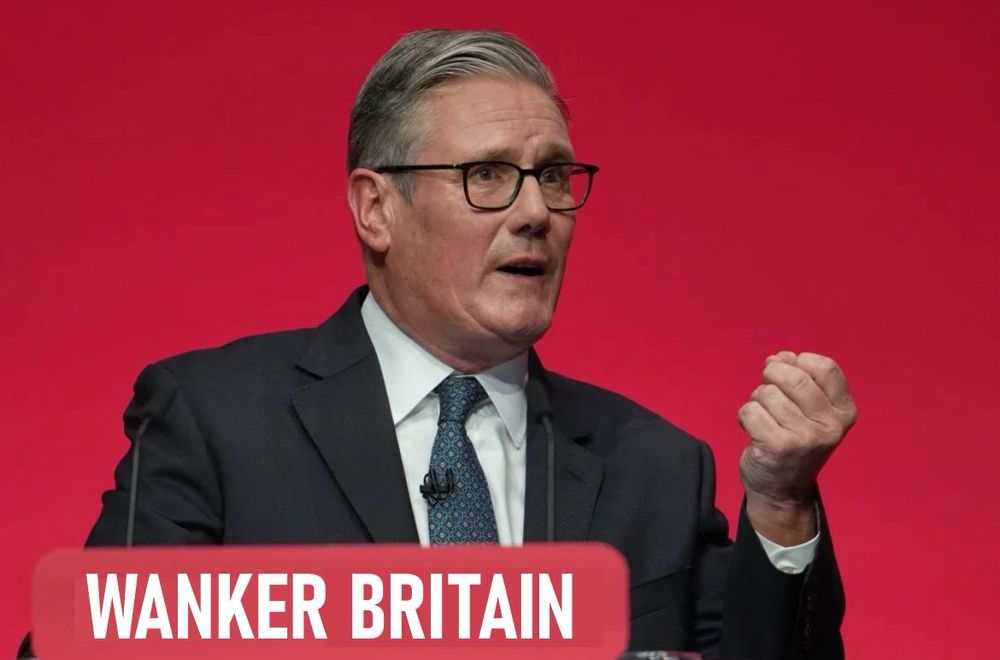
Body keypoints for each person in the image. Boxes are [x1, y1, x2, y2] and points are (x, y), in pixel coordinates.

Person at [85, 29, 855, 658]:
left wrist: (782, 504)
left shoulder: (655, 467)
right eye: (487, 175)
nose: (534, 213)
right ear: (376, 208)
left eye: (553, 176)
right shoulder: (215, 423)